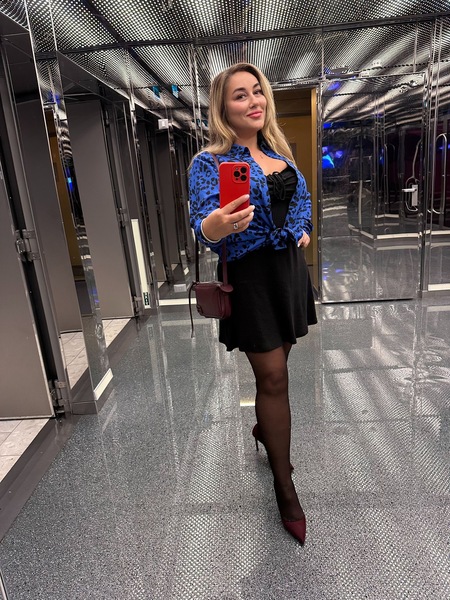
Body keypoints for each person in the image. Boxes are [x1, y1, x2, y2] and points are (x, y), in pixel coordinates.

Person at [189, 63, 317, 545]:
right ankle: (284, 486)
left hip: (288, 273)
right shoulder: (209, 162)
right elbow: (203, 224)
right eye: (240, 95)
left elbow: (302, 202)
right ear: (223, 108)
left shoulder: (280, 155)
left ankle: (265, 429)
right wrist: (217, 225)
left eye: (258, 91)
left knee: (281, 360)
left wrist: (302, 230)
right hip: (251, 277)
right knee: (274, 377)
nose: (254, 101)